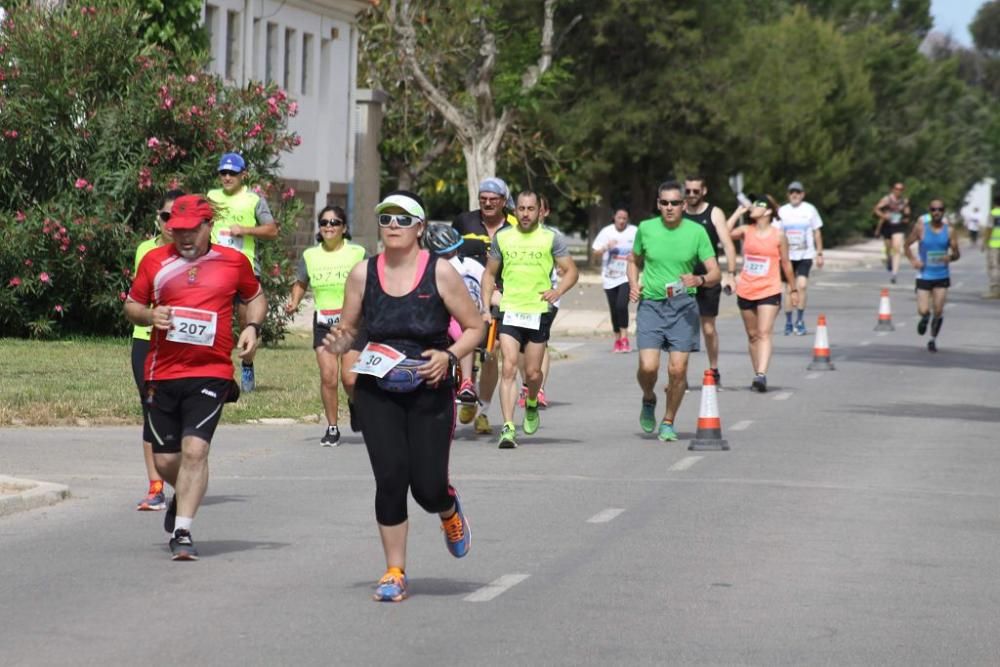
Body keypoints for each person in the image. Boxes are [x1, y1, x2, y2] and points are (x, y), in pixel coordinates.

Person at [325, 190, 483, 602]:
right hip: (378, 390)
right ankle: (395, 571)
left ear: (419, 227)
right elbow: (350, 329)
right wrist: (340, 344)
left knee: (428, 488)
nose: (392, 226)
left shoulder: (441, 272)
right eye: (386, 219)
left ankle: (447, 509)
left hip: (429, 389)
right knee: (391, 479)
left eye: (402, 219)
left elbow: (475, 328)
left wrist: (448, 357)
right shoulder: (363, 274)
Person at [124, 194, 266, 560]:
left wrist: (252, 327)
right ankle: (183, 492)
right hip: (163, 370)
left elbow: (256, 296)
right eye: (176, 230)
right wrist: (149, 317)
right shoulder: (155, 261)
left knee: (195, 450)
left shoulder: (233, 262)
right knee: (167, 460)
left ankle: (183, 531)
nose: (183, 237)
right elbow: (132, 305)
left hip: (212, 369)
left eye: (190, 230)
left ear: (208, 226)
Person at [481, 191, 578, 449]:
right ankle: (508, 427)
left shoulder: (550, 238)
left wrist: (558, 291)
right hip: (510, 309)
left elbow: (571, 271)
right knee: (509, 366)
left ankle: (532, 399)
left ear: (540, 211)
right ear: (515, 210)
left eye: (530, 209)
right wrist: (485, 304)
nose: (525, 213)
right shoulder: (503, 237)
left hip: (538, 311)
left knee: (533, 373)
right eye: (521, 209)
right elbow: (489, 274)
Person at [628, 181, 720, 442]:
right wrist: (634, 284)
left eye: (675, 203)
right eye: (664, 203)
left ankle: (668, 421)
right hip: (651, 305)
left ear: (684, 205)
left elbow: (715, 272)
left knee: (678, 370)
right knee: (648, 367)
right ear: (658, 204)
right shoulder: (646, 229)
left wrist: (699, 280)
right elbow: (633, 260)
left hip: (683, 308)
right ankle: (649, 398)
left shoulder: (696, 232)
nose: (669, 208)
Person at [285, 206, 366, 446]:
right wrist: (294, 302)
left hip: (354, 324)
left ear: (344, 227)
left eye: (335, 222)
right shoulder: (311, 255)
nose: (329, 226)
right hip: (324, 324)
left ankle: (355, 404)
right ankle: (332, 427)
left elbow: (375, 278)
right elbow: (301, 282)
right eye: (324, 223)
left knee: (350, 379)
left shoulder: (358, 252)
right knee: (328, 377)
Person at [207, 152, 278, 392]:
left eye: (232, 173)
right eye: (223, 173)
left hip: (244, 268)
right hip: (215, 267)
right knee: (216, 323)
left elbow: (271, 230)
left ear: (243, 175)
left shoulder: (254, 199)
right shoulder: (211, 197)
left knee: (247, 321)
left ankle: (247, 365)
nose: (227, 177)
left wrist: (246, 230)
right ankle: (217, 372)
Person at [131, 189, 183, 511]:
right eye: (166, 216)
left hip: (180, 342)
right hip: (146, 338)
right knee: (151, 410)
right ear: (158, 218)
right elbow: (140, 296)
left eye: (177, 217)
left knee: (178, 412)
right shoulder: (146, 251)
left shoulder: (194, 254)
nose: (170, 223)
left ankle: (183, 474)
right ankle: (155, 486)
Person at [452, 178, 515, 434]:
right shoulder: (464, 221)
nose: (488, 203)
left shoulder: (513, 226)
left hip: (502, 296)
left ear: (503, 201)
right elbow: (449, 253)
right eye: (483, 199)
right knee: (462, 344)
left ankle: (484, 411)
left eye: (493, 199)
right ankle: (467, 389)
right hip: (465, 295)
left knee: (492, 351)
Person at [727, 196, 798, 392]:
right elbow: (723, 233)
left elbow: (786, 263)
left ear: (767, 212)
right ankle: (757, 373)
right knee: (752, 335)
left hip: (770, 288)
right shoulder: (745, 231)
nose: (753, 208)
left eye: (758, 205)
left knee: (764, 332)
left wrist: (793, 289)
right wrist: (737, 213)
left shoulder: (778, 236)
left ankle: (761, 374)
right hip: (747, 288)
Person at [423, 222, 486, 424]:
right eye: (443, 255)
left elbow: (488, 289)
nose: (448, 259)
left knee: (464, 331)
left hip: (468, 315)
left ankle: (466, 382)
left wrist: (488, 309)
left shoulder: (471, 266)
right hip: (441, 316)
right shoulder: (428, 269)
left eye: (449, 253)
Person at [683, 176, 737, 384]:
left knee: (707, 328)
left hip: (708, 278)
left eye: (695, 191)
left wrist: (731, 273)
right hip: (684, 279)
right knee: (684, 328)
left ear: (704, 191)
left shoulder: (714, 213)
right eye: (688, 191)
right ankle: (681, 374)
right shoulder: (679, 213)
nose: (691, 195)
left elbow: (728, 244)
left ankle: (713, 369)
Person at [904, 199, 960, 352]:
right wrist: (914, 260)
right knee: (923, 310)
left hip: (941, 275)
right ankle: (924, 318)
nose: (937, 212)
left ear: (944, 211)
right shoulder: (921, 228)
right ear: (930, 211)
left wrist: (951, 257)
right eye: (934, 209)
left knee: (939, 310)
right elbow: (906, 245)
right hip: (924, 275)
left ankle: (932, 339)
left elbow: (957, 254)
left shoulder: (949, 231)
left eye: (940, 209)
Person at [776, 181, 824, 336]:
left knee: (801, 285)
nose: (794, 195)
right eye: (791, 192)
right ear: (788, 194)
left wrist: (820, 253)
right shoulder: (782, 211)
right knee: (789, 289)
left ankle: (800, 320)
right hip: (787, 257)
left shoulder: (810, 210)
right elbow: (775, 234)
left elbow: (817, 232)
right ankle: (789, 321)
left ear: (802, 194)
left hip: (805, 255)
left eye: (797, 192)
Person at [592, 207, 638, 352]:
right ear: (614, 218)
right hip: (609, 276)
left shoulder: (634, 231)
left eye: (625, 218)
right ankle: (617, 339)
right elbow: (595, 254)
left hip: (626, 276)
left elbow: (642, 251)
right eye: (619, 218)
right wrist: (606, 247)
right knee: (613, 309)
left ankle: (624, 339)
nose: (622, 221)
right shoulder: (606, 232)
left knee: (621, 306)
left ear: (628, 219)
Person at [873, 181, 911, 284]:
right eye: (897, 189)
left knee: (897, 248)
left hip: (898, 225)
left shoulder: (904, 201)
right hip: (887, 225)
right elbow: (876, 209)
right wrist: (883, 216)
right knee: (889, 248)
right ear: (893, 189)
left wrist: (906, 214)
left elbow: (907, 212)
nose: (898, 191)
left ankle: (894, 274)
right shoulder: (887, 199)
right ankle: (889, 259)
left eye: (901, 189)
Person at [984, 198, 1000, 299]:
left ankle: (995, 290)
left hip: (994, 244)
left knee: (994, 267)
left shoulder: (993, 213)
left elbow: (989, 228)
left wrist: (985, 242)